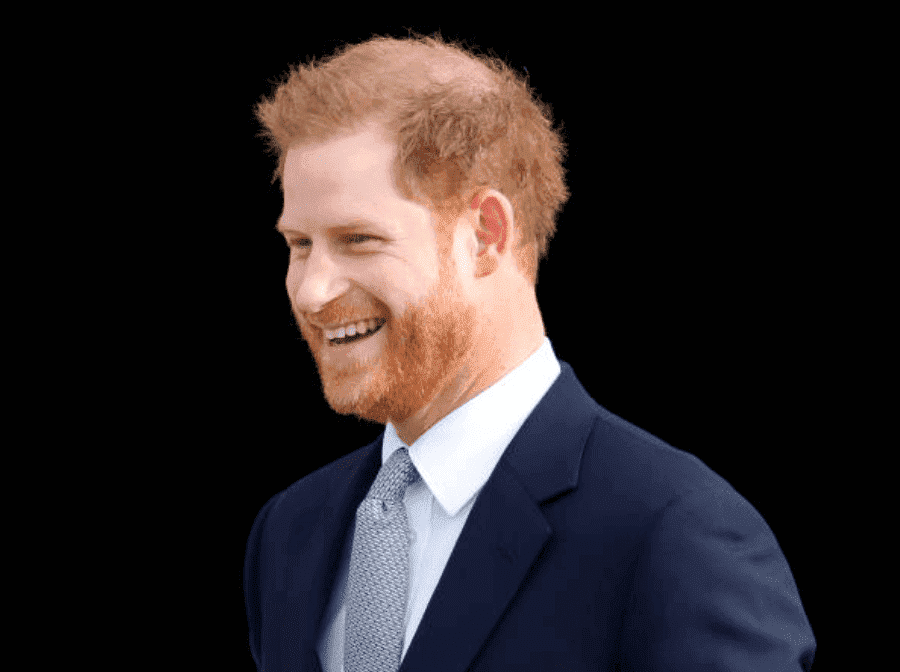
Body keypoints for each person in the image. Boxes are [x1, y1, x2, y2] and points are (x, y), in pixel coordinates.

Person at [243, 32, 816, 671]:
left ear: (487, 235)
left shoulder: (676, 535)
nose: (313, 291)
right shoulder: (290, 531)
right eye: (299, 244)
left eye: (358, 239)